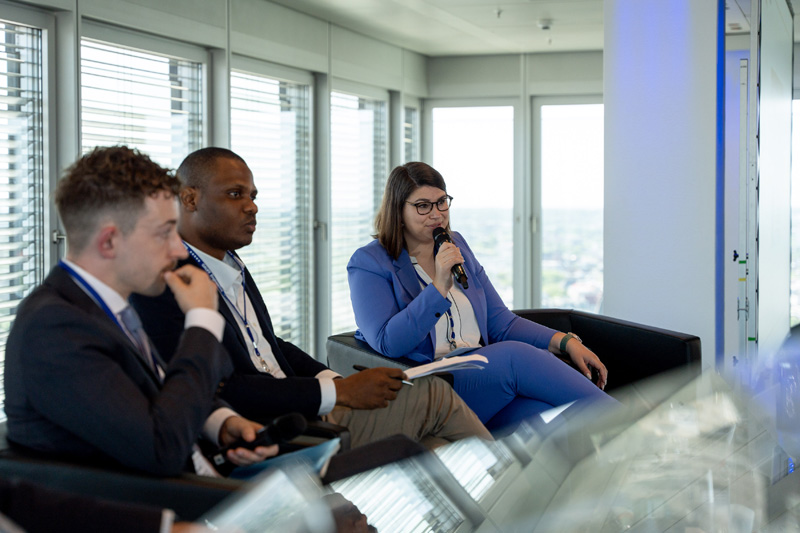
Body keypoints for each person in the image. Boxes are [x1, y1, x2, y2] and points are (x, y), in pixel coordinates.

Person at [130, 147, 491, 450]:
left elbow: (271, 347)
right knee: (434, 396)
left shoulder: (230, 263)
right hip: (275, 426)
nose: (252, 207)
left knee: (434, 447)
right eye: (236, 194)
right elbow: (223, 386)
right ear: (189, 199)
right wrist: (336, 392)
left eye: (253, 196)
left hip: (305, 404)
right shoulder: (166, 283)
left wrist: (336, 379)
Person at [3, 146, 276, 477]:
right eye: (165, 233)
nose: (179, 250)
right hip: (160, 502)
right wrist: (203, 321)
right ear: (109, 242)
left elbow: (152, 394)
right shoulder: (55, 329)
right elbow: (160, 450)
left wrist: (219, 422)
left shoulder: (107, 309)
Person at [347, 162, 616, 433]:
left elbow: (502, 323)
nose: (437, 214)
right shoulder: (370, 262)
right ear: (398, 211)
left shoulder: (456, 245)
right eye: (423, 206)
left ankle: (626, 449)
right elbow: (387, 342)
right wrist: (438, 287)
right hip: (433, 384)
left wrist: (566, 342)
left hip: (483, 377)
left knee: (547, 416)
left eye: (441, 202)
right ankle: (630, 423)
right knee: (514, 356)